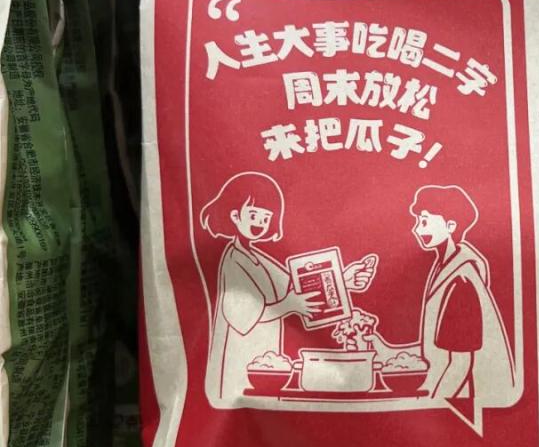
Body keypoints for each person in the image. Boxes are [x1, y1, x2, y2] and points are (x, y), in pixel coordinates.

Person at [200, 172, 375, 404]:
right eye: (253, 215)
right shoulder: (233, 259)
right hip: (240, 361)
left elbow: (297, 287)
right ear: (234, 215)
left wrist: (344, 281)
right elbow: (241, 317)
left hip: (266, 359)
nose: (259, 223)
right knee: (250, 399)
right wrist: (289, 305)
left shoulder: (259, 257)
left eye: (265, 218)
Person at [401, 184, 515, 404]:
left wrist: (430, 406)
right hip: (450, 394)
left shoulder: (462, 280)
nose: (417, 230)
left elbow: (460, 365)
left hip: (465, 401)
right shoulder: (445, 267)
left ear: (450, 225)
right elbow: (439, 347)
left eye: (424, 221)